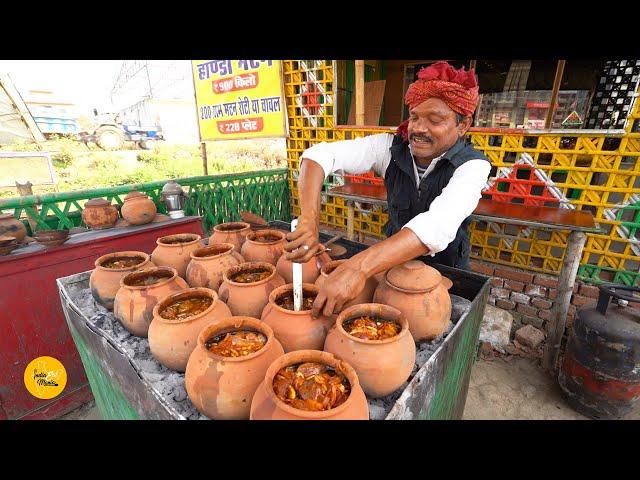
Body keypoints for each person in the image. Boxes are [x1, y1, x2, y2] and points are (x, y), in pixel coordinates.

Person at [284, 61, 491, 317]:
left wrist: (358, 267)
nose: (418, 128)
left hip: (446, 277)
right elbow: (318, 156)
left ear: (463, 125)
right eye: (414, 116)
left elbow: (437, 226)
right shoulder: (390, 148)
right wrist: (309, 219)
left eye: (435, 120)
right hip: (391, 269)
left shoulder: (473, 166)